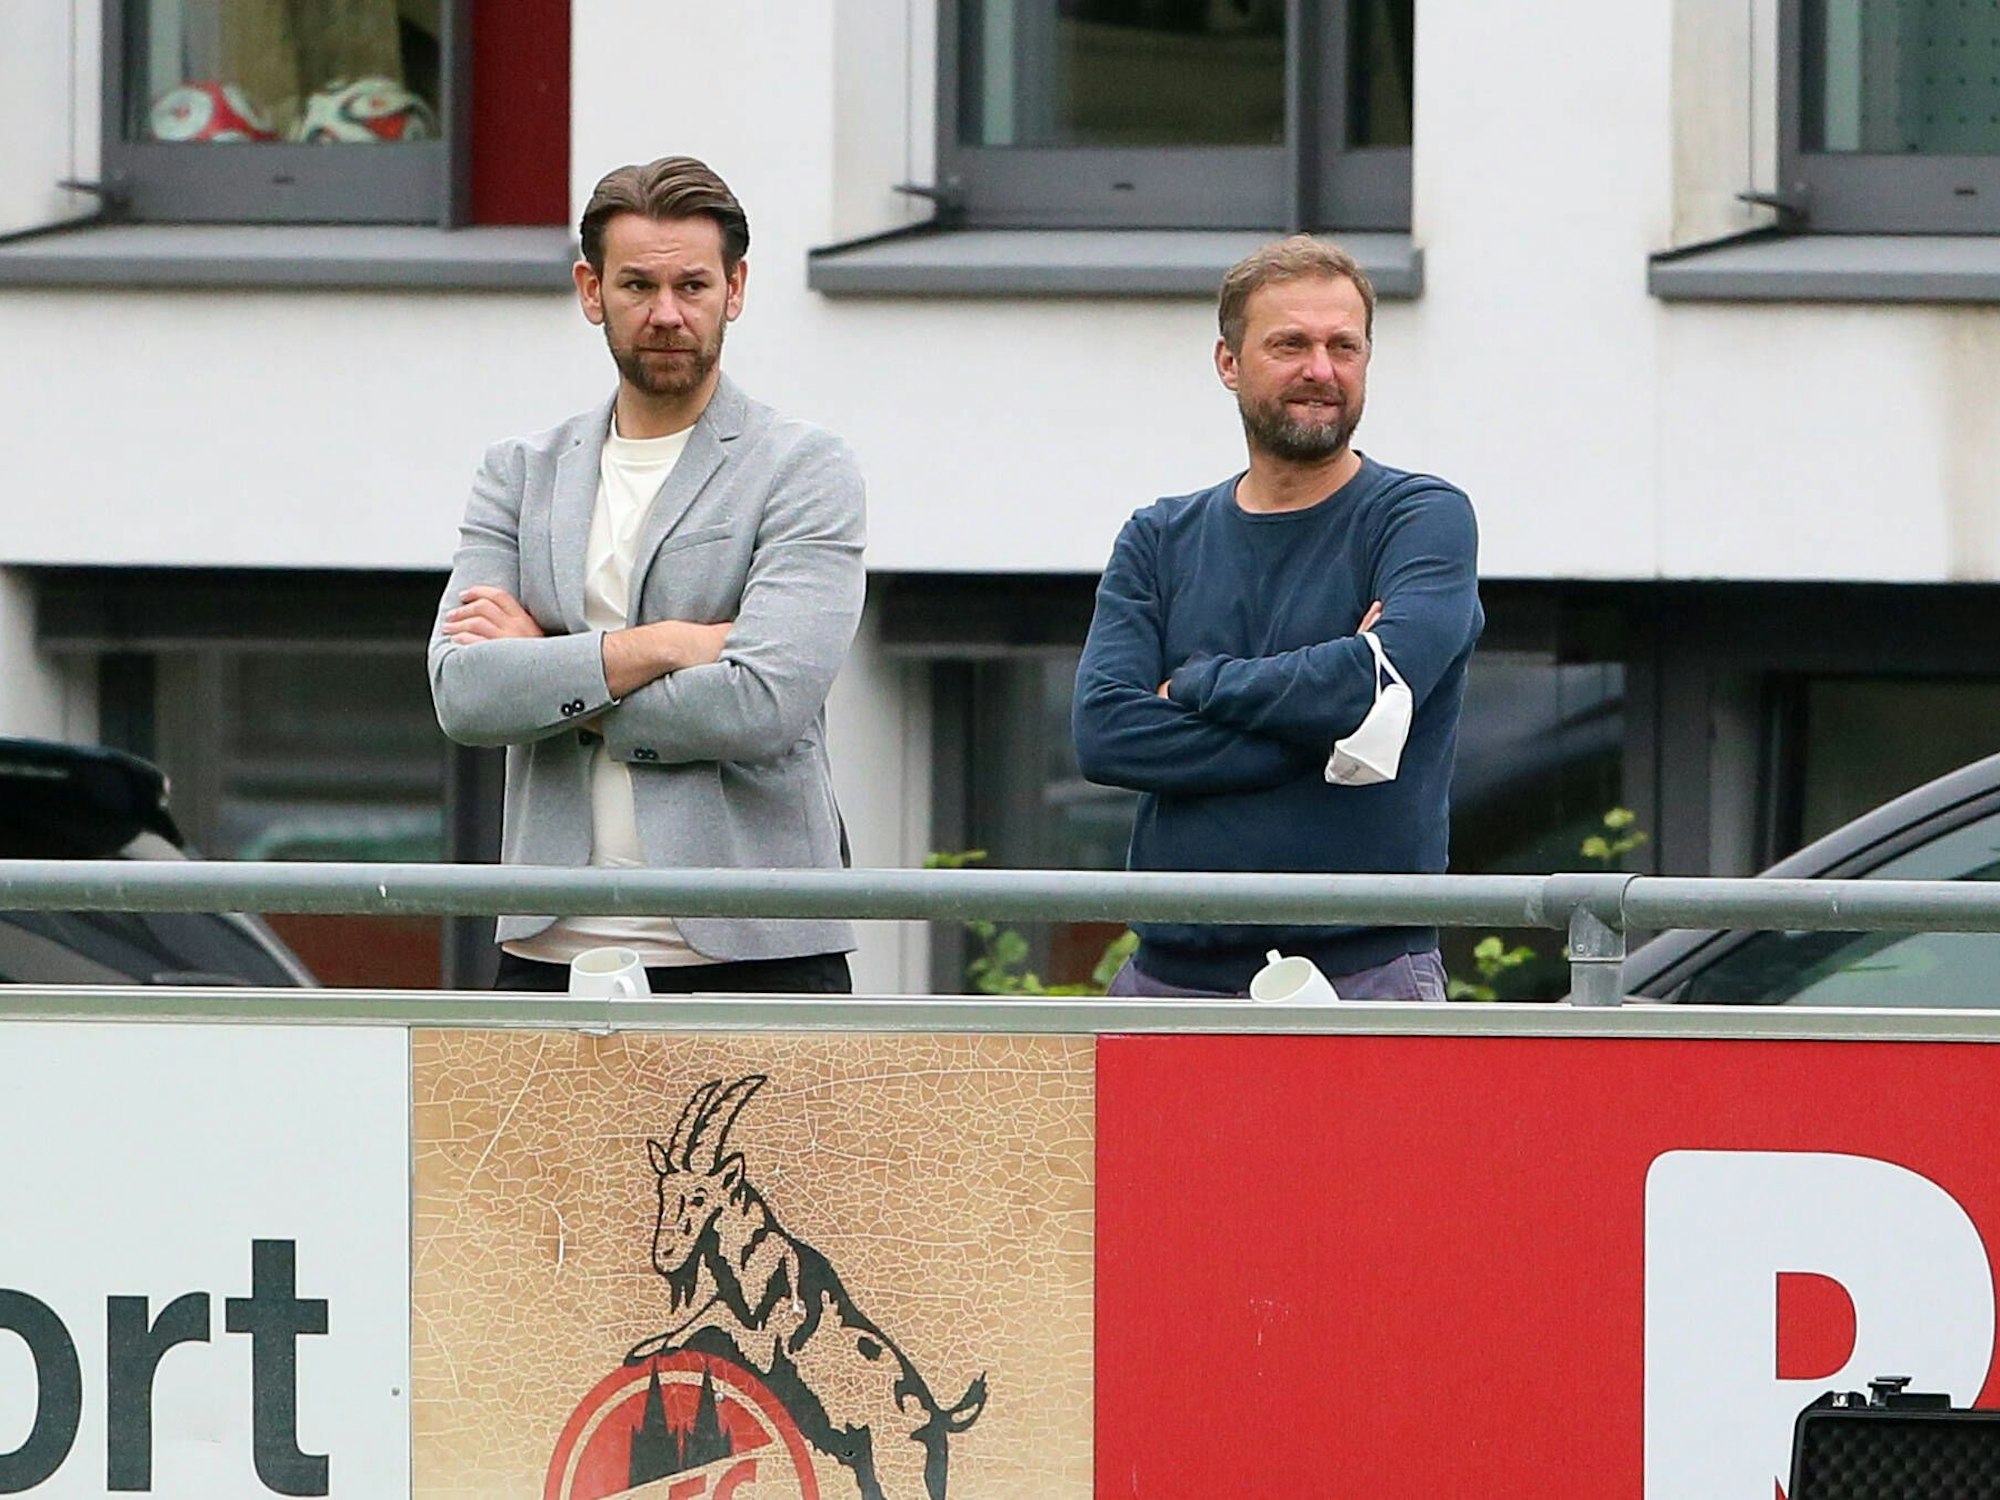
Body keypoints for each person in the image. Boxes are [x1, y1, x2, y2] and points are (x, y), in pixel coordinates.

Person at [429, 155, 865, 993]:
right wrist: (667, 645)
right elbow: (465, 694)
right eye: (637, 287)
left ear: (735, 290)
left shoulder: (803, 469)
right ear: (592, 292)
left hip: (755, 951)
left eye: (692, 287)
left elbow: (762, 705)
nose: (667, 314)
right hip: (548, 948)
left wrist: (553, 669)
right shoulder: (521, 473)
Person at [1072, 235, 1483, 999]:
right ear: (1229, 363)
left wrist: (1195, 684)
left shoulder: (1422, 520)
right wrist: (1331, 735)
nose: (1321, 371)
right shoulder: (1159, 538)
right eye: (1290, 343)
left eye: (1344, 346)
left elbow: (1376, 687)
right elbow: (1104, 734)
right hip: (1167, 985)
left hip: (1366, 978)